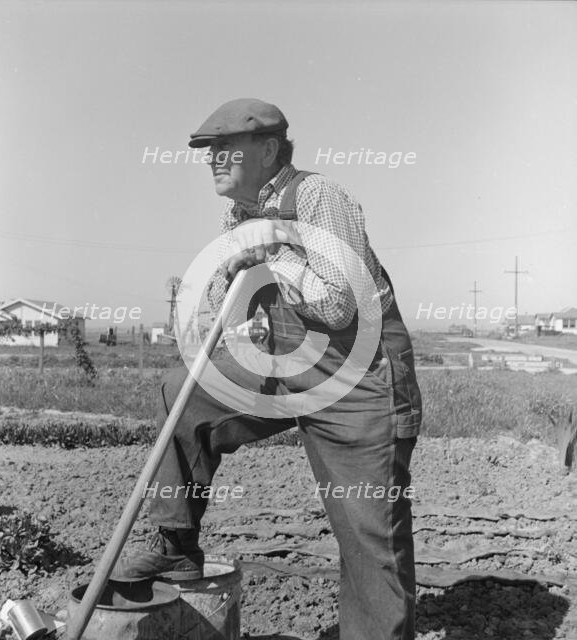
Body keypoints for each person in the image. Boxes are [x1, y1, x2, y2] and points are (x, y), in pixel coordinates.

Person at [113, 98, 422, 640]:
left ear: (271, 150)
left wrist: (268, 262)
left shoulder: (320, 197)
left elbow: (336, 307)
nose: (214, 159)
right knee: (183, 390)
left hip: (361, 381)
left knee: (369, 537)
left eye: (227, 149)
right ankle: (177, 545)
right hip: (291, 365)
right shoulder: (239, 214)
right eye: (209, 151)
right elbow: (226, 298)